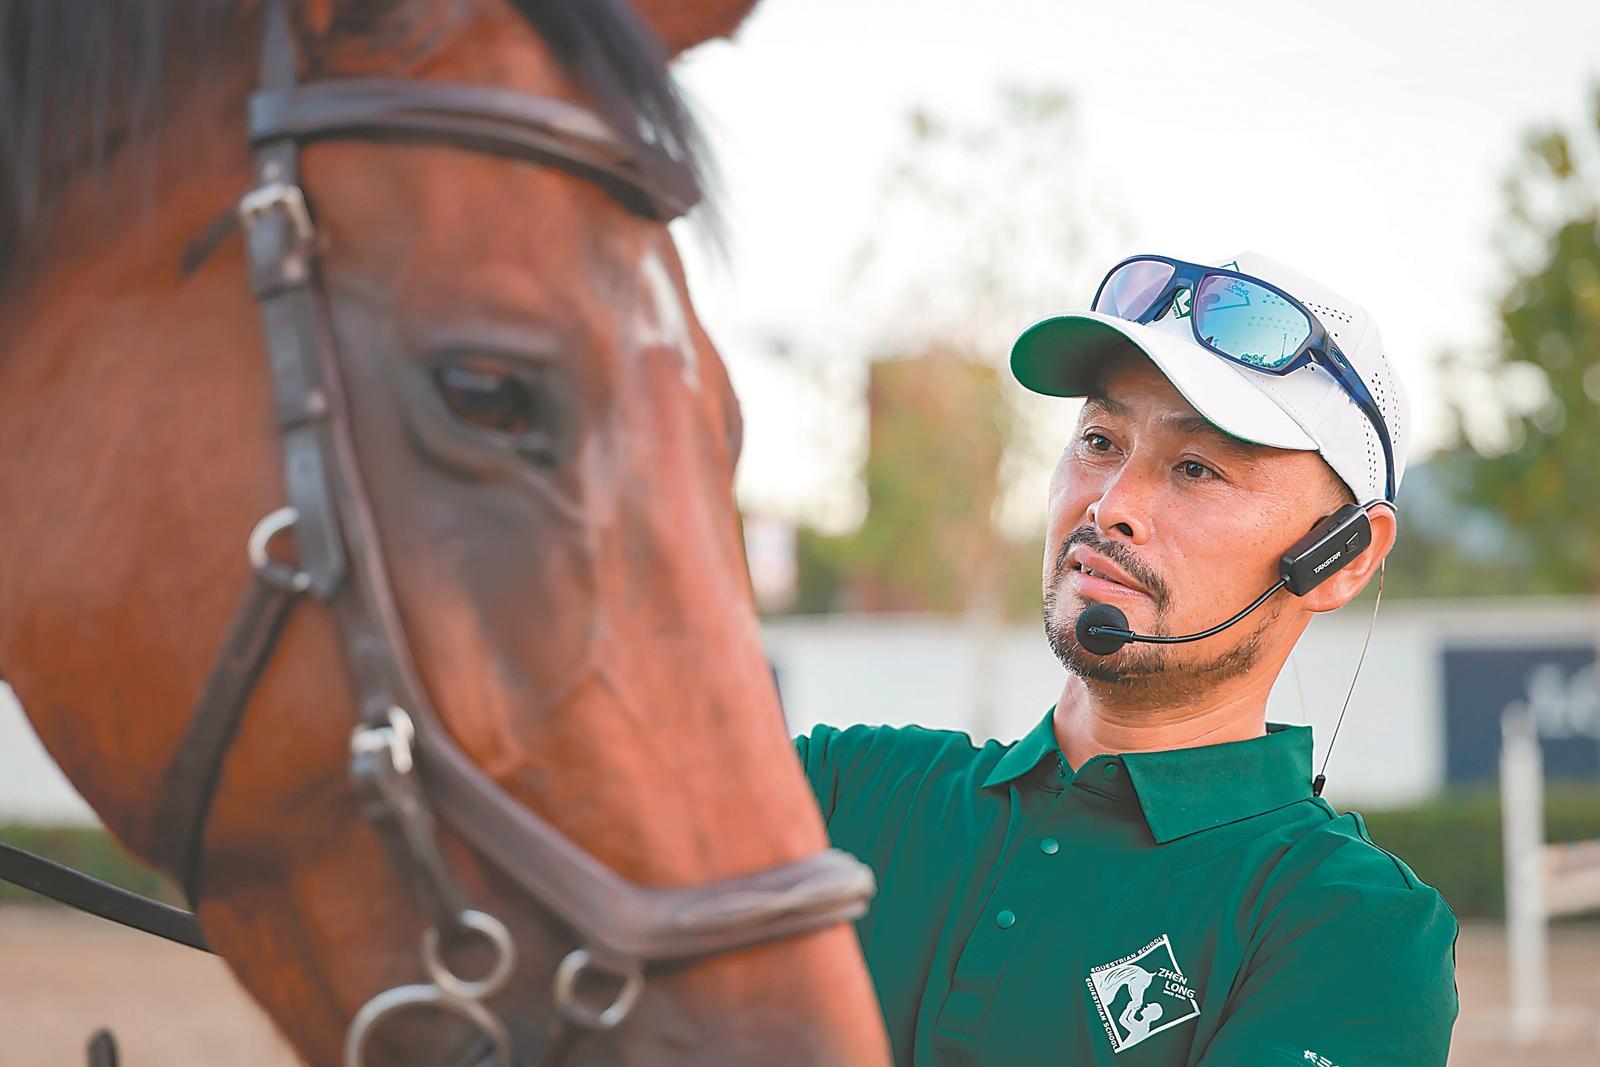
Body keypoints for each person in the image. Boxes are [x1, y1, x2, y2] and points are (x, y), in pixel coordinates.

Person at [793, 251, 1459, 1065]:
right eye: (1100, 440)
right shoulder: (841, 785)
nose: (1110, 506)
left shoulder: (1352, 924)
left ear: (1342, 557)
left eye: (1195, 467)